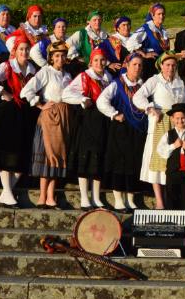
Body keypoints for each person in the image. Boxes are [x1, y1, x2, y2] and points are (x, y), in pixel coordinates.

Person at [0, 32, 38, 207]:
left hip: (25, 114)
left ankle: (7, 192)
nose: (24, 52)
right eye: (21, 49)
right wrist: (2, 92)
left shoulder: (33, 69)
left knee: (21, 154)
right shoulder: (7, 66)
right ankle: (7, 193)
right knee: (7, 152)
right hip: (7, 113)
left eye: (27, 49)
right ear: (15, 50)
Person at [21, 41, 73, 209]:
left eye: (63, 55)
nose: (60, 58)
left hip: (64, 116)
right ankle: (42, 196)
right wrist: (39, 104)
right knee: (47, 156)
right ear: (51, 58)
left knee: (57, 156)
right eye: (57, 56)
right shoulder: (46, 72)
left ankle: (51, 196)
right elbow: (26, 90)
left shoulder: (67, 76)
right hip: (49, 117)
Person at [133, 51, 185, 209]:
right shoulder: (155, 80)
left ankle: (170, 200)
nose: (170, 68)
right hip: (159, 123)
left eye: (173, 65)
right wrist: (151, 108)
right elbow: (138, 97)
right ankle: (159, 202)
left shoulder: (179, 82)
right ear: (161, 66)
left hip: (175, 123)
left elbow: (183, 101)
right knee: (157, 160)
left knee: (172, 161)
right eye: (167, 65)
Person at [63, 47, 113, 210]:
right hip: (88, 122)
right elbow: (66, 94)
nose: (99, 63)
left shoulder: (109, 78)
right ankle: (85, 197)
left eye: (102, 60)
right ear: (91, 62)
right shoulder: (84, 77)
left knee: (99, 158)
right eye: (96, 60)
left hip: (103, 122)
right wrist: (83, 99)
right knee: (86, 159)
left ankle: (96, 197)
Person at [97, 52, 146, 212]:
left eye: (140, 65)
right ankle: (118, 199)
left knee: (133, 163)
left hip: (137, 130)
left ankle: (130, 199)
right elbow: (101, 101)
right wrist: (114, 114)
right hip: (120, 129)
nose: (137, 68)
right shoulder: (117, 83)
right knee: (119, 163)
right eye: (134, 64)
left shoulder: (143, 85)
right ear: (127, 66)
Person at [156, 103, 185, 212]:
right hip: (173, 173)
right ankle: (173, 225)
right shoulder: (168, 135)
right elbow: (161, 151)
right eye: (177, 118)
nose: (180, 121)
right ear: (172, 119)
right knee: (172, 200)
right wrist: (174, 145)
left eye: (182, 118)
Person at [129, 3, 170, 80]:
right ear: (153, 15)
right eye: (159, 14)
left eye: (163, 14)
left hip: (160, 68)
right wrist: (144, 54)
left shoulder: (163, 31)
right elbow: (130, 43)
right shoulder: (146, 29)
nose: (161, 16)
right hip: (148, 68)